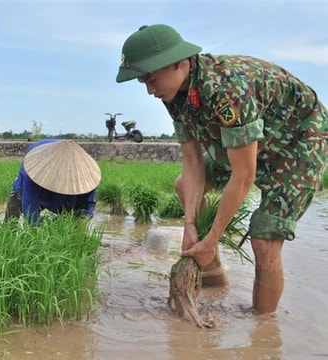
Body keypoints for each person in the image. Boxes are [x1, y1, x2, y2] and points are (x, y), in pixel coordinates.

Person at [116, 24, 327, 313]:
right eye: (144, 83)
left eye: (152, 80)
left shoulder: (227, 89)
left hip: (298, 143)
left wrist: (213, 236)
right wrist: (190, 226)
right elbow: (192, 161)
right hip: (252, 141)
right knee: (183, 186)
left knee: (264, 240)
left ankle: (262, 335)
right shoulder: (174, 94)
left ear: (179, 63)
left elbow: (244, 176)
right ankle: (213, 274)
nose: (150, 90)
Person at [4, 139, 101, 225]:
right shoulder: (35, 169)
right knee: (14, 207)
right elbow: (30, 209)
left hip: (65, 200)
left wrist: (81, 227)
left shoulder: (85, 177)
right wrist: (34, 230)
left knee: (71, 220)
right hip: (39, 172)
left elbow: (86, 206)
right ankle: (8, 233)